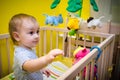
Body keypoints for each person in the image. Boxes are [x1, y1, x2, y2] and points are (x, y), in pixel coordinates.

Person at [8, 13, 64, 80]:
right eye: (31, 32)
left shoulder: (29, 49)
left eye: (37, 31)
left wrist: (41, 69)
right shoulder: (21, 54)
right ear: (17, 36)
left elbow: (34, 62)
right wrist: (46, 58)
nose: (37, 36)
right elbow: (30, 67)